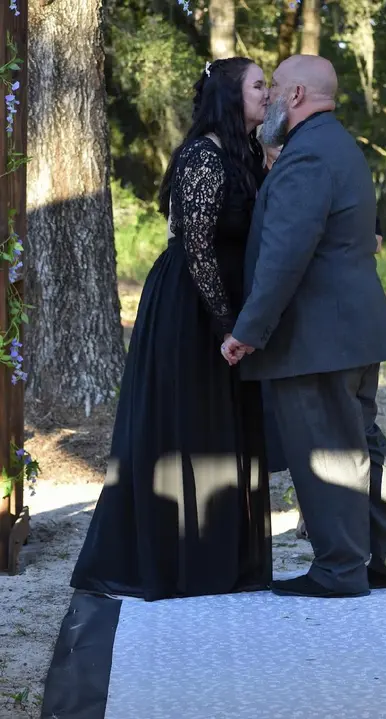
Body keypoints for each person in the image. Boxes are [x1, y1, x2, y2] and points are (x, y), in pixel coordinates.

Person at [222, 55, 386, 599]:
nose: (268, 97)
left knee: (328, 448)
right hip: (351, 331)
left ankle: (340, 569)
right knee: (361, 440)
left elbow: (284, 256)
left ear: (295, 96)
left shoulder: (307, 156)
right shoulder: (338, 144)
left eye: (275, 88)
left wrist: (248, 329)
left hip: (316, 338)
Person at [71, 58, 272, 602]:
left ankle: (222, 556)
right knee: (192, 424)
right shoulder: (202, 155)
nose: (268, 94)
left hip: (227, 303)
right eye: (259, 85)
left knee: (226, 427)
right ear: (231, 96)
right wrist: (226, 324)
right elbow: (198, 246)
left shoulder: (248, 152)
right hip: (193, 305)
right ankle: (182, 561)